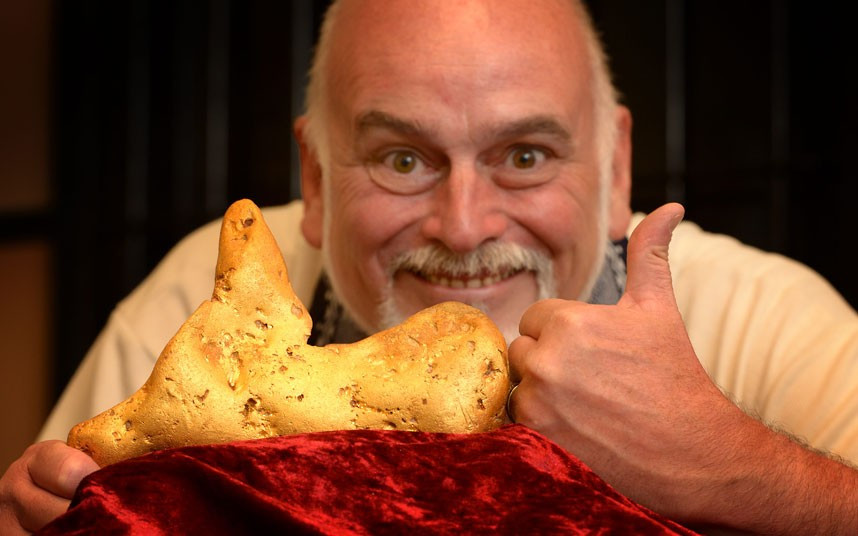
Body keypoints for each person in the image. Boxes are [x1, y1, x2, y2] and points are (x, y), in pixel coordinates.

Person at [3, 0, 858, 533]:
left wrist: (731, 464)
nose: (462, 227)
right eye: (402, 160)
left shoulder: (761, 316)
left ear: (618, 167)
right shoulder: (211, 297)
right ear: (313, 176)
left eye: (524, 155)